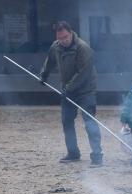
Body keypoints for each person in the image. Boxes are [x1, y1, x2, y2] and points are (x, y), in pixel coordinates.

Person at [39, 21, 103, 167]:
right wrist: (44, 75)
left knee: (89, 122)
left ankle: (97, 156)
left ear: (71, 33)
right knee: (67, 121)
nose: (63, 41)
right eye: (60, 38)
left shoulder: (83, 48)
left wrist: (69, 88)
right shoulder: (56, 46)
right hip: (68, 90)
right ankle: (73, 153)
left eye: (65, 37)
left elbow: (84, 73)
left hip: (86, 90)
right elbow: (49, 61)